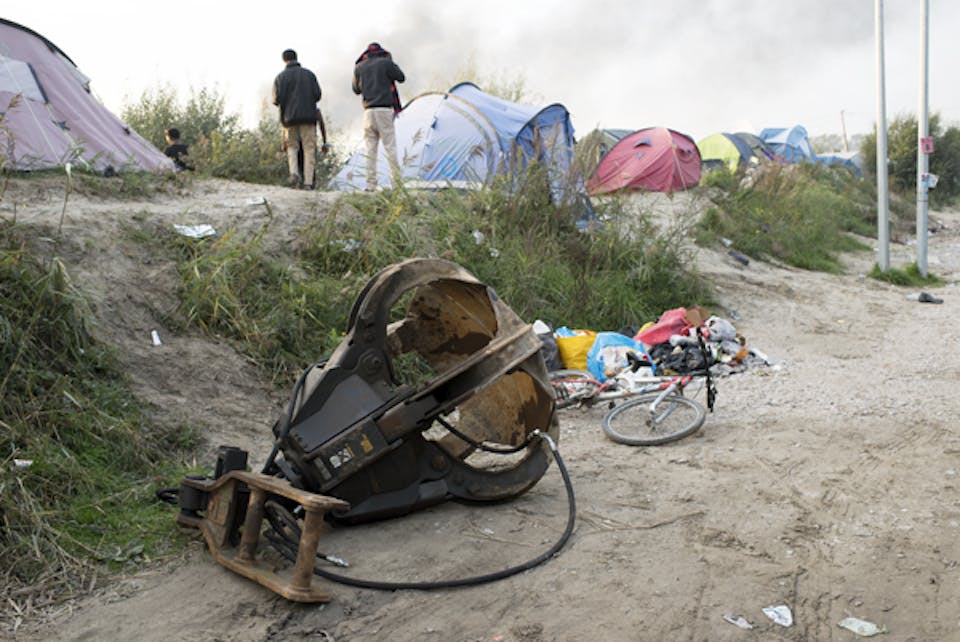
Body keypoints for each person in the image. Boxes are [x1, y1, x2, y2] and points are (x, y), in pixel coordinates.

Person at [352, 42, 405, 191]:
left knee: (370, 149)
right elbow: (401, 77)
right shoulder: (385, 63)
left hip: (368, 111)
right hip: (384, 109)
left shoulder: (359, 67)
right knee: (390, 147)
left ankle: (370, 185)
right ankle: (396, 183)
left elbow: (356, 89)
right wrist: (390, 62)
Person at [273, 49, 321, 189]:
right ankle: (308, 183)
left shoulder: (280, 77)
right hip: (308, 117)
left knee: (292, 146)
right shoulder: (309, 74)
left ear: (284, 60)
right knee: (309, 148)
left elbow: (276, 100)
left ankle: (293, 173)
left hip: (289, 118)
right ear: (296, 58)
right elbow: (317, 95)